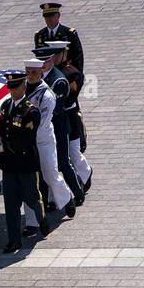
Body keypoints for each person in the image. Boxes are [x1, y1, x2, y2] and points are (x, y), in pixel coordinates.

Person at [0, 69, 58, 252]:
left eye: (15, 87)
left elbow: (27, 138)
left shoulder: (31, 111)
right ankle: (13, 241)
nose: (12, 91)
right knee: (11, 205)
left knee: (33, 199)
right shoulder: (5, 106)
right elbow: (1, 131)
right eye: (10, 87)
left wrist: (8, 146)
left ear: (23, 86)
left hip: (25, 163)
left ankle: (42, 218)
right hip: (8, 165)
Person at [23, 56, 76, 219]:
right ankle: (34, 219)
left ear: (41, 73)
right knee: (31, 179)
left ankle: (67, 198)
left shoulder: (47, 95)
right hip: (27, 142)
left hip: (43, 140)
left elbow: (42, 122)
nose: (30, 75)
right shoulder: (22, 88)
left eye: (34, 72)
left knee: (50, 175)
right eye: (28, 72)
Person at [39, 41, 84, 206]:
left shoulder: (58, 80)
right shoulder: (36, 78)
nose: (42, 65)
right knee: (46, 166)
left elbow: (55, 110)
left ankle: (78, 192)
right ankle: (51, 199)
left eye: (45, 61)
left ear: (52, 60)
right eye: (39, 62)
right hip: (43, 129)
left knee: (63, 162)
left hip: (58, 127)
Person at [59, 51, 93, 193]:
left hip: (69, 115)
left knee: (73, 151)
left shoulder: (70, 72)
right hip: (59, 118)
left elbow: (71, 95)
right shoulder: (50, 72)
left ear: (63, 54)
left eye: (55, 56)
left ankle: (85, 172)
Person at [34, 1, 84, 72]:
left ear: (58, 16)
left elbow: (77, 57)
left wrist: (78, 76)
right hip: (46, 72)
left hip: (66, 71)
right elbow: (38, 56)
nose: (49, 19)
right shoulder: (39, 35)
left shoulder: (69, 33)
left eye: (52, 16)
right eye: (46, 17)